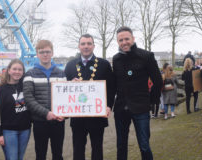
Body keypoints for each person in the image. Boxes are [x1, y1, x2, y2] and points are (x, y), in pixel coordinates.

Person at [112, 26, 163, 160]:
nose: (124, 42)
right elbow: (113, 84)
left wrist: (151, 101)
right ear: (117, 42)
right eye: (121, 40)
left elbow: (158, 82)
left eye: (127, 39)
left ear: (133, 39)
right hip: (121, 108)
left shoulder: (146, 56)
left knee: (144, 145)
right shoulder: (116, 59)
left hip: (141, 108)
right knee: (121, 145)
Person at [64, 34, 115, 160]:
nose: (86, 46)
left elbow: (112, 87)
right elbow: (63, 89)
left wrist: (109, 106)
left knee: (97, 149)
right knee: (78, 149)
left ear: (93, 46)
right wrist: (70, 84)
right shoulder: (70, 65)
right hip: (78, 117)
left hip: (97, 116)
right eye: (83, 44)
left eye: (89, 43)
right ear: (79, 46)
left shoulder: (104, 64)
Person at [23, 40, 66, 160]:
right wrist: (46, 113)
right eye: (42, 52)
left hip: (58, 121)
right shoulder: (30, 74)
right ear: (37, 54)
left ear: (52, 53)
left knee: (58, 154)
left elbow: (67, 99)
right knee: (40, 154)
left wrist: (65, 115)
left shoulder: (61, 74)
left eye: (47, 51)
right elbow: (28, 99)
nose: (45, 54)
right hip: (40, 121)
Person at [0, 59, 31, 160]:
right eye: (14, 69)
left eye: (20, 69)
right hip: (8, 131)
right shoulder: (0, 90)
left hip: (25, 129)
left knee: (20, 157)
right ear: (8, 70)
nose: (17, 72)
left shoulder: (26, 86)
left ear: (23, 72)